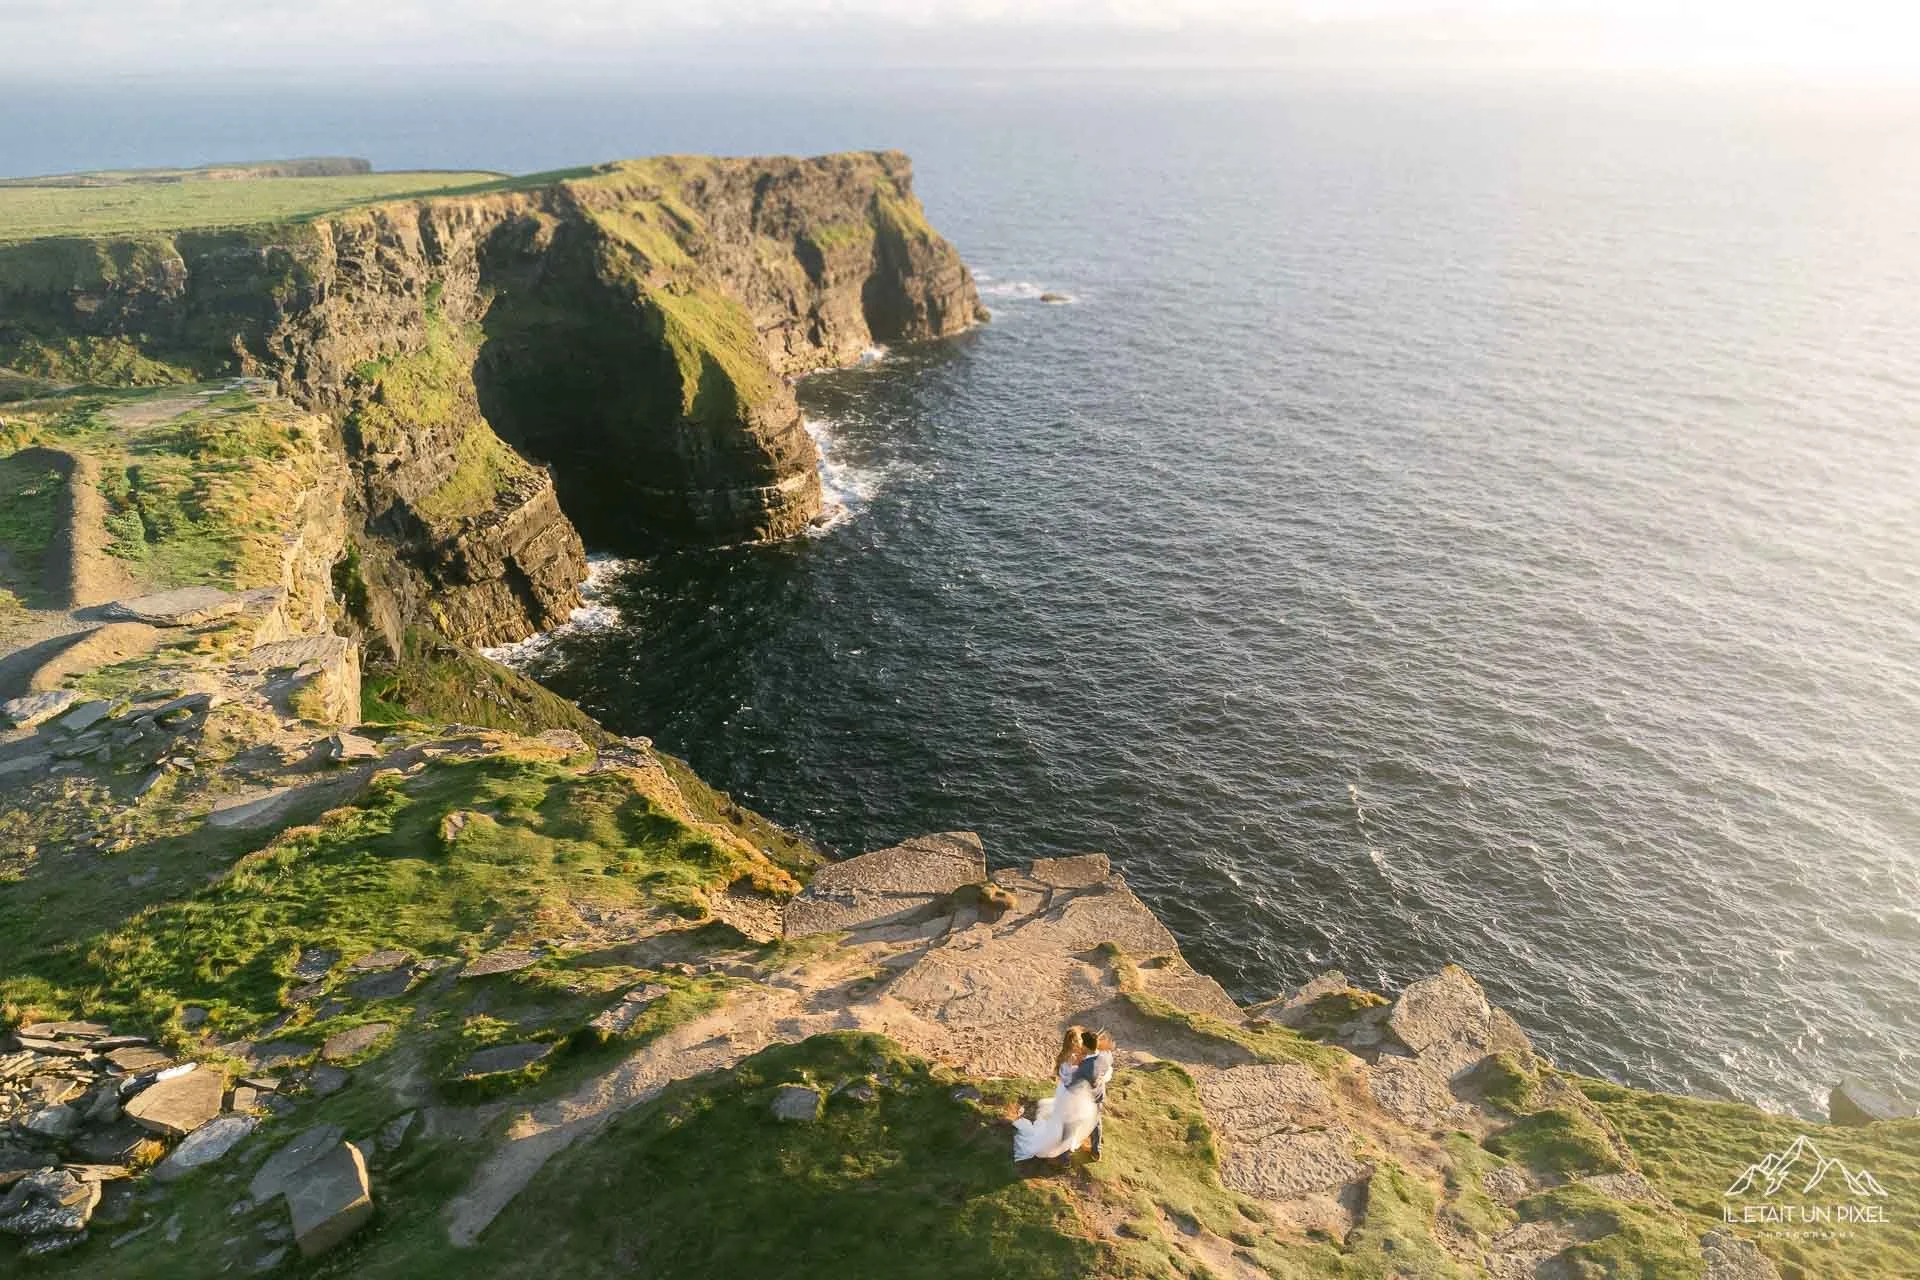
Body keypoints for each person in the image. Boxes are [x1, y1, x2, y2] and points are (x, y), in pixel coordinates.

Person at [1013, 1026, 1115, 1164]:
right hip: (1096, 1097)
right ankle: (1096, 1150)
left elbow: (1073, 1085)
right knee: (1095, 1122)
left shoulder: (1082, 1066)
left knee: (1069, 1124)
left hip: (1075, 1097)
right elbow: (1102, 1070)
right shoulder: (1105, 1055)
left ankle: (1064, 1156)